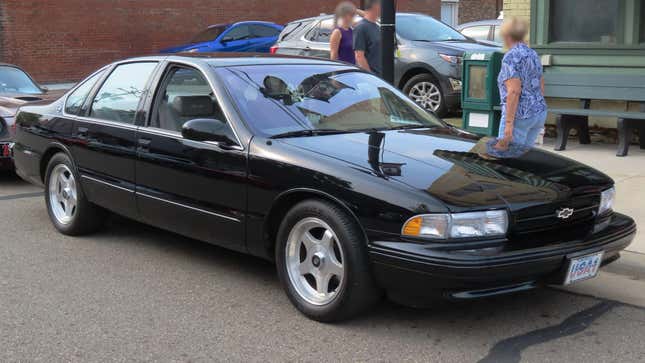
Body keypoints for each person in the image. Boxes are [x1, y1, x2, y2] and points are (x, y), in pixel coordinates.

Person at [495, 17, 547, 151]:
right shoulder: (533, 54)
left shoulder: (510, 57)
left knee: (506, 157)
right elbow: (541, 84)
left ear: (506, 36)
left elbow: (514, 91)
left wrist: (508, 124)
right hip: (538, 113)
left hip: (520, 116)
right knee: (523, 157)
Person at [353, 0, 381, 76]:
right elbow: (359, 56)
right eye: (381, 5)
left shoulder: (377, 27)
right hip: (370, 78)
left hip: (381, 78)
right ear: (375, 6)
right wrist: (371, 76)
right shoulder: (361, 27)